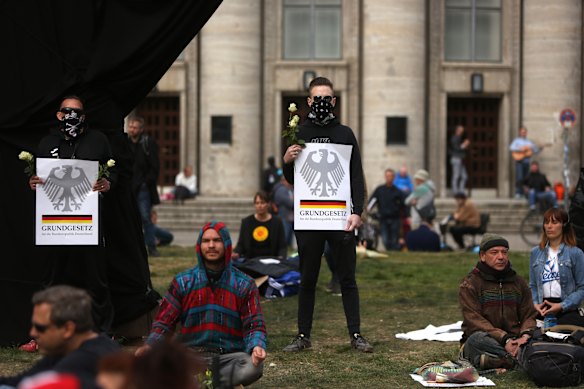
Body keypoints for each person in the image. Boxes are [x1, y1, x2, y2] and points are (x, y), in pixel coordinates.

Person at [281, 76, 373, 353]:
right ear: (309, 101)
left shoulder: (345, 134)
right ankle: (302, 335)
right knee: (307, 278)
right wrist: (286, 161)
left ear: (333, 101)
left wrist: (357, 212)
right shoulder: (298, 133)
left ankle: (356, 334)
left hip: (340, 218)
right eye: (316, 98)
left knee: (347, 278)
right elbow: (294, 178)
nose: (322, 102)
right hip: (310, 218)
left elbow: (356, 176)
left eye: (327, 98)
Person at [135, 221, 267, 389]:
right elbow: (164, 322)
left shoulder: (244, 284)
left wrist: (257, 346)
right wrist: (150, 345)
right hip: (190, 357)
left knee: (253, 367)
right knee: (156, 363)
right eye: (206, 241)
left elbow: (254, 324)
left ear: (226, 244)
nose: (211, 245)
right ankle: (212, 383)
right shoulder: (183, 282)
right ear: (199, 245)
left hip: (228, 357)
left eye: (217, 240)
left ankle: (196, 384)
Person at [27, 95, 115, 334]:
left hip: (89, 222)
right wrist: (33, 182)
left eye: (77, 112)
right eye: (67, 111)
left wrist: (108, 183)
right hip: (55, 225)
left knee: (95, 278)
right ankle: (46, 330)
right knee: (52, 278)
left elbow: (117, 173)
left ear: (84, 117)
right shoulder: (46, 143)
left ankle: (101, 332)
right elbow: (38, 178)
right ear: (59, 115)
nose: (72, 116)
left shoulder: (98, 140)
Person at [0, 285, 119, 388]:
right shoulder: (66, 348)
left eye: (40, 328)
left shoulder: (78, 364)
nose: (32, 333)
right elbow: (20, 381)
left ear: (68, 329)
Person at [459, 234, 537, 370]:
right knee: (476, 339)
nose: (501, 257)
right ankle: (518, 360)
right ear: (482, 256)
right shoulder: (470, 284)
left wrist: (524, 336)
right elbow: (474, 320)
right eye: (494, 253)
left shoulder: (518, 282)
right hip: (488, 340)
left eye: (504, 252)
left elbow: (529, 314)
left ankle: (499, 361)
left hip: (515, 340)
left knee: (538, 336)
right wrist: (504, 338)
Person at [529, 207, 584, 327]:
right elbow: (532, 285)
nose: (549, 226)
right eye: (546, 222)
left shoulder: (576, 253)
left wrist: (561, 306)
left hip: (566, 309)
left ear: (564, 225)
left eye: (554, 222)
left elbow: (582, 288)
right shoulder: (535, 253)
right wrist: (535, 304)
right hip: (541, 310)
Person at [127, 116, 161, 257]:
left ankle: (151, 247)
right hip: (129, 186)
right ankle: (132, 247)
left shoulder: (147, 143)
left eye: (135, 127)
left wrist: (146, 182)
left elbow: (155, 165)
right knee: (129, 217)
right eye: (130, 126)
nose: (132, 130)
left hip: (142, 187)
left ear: (141, 129)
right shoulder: (125, 142)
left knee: (145, 217)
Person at [232, 190, 287, 261]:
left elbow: (282, 245)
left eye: (262, 203)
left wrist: (281, 257)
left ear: (268, 204)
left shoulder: (277, 222)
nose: (260, 206)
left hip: (272, 261)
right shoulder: (246, 222)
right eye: (257, 203)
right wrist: (236, 253)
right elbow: (241, 244)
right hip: (251, 261)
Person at [367, 168, 407, 251]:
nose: (389, 178)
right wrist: (368, 209)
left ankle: (394, 252)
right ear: (385, 177)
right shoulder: (380, 190)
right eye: (387, 176)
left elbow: (403, 205)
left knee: (394, 239)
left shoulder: (398, 192)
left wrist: (406, 215)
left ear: (393, 177)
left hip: (395, 219)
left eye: (391, 176)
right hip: (383, 219)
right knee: (385, 239)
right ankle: (390, 250)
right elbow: (373, 200)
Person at [509, 126, 540, 199]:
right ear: (520, 132)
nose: (523, 133)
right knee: (519, 177)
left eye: (524, 132)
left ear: (526, 133)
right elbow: (511, 148)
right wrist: (522, 148)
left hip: (526, 162)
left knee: (526, 178)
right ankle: (518, 192)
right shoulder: (517, 141)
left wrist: (537, 148)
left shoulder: (529, 142)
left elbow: (535, 151)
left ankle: (524, 193)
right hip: (519, 161)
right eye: (522, 132)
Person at [272, 174, 295, 249]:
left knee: (290, 239)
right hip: (284, 218)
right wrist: (294, 200)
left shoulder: (291, 190)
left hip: (291, 218)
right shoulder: (281, 190)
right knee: (284, 238)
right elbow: (290, 203)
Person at [449, 125, 470, 194]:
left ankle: (461, 191)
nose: (462, 132)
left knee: (464, 176)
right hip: (456, 159)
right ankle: (455, 191)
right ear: (457, 130)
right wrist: (464, 144)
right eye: (461, 131)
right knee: (456, 175)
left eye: (462, 131)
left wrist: (464, 145)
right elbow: (456, 148)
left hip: (461, 160)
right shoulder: (454, 138)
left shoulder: (460, 138)